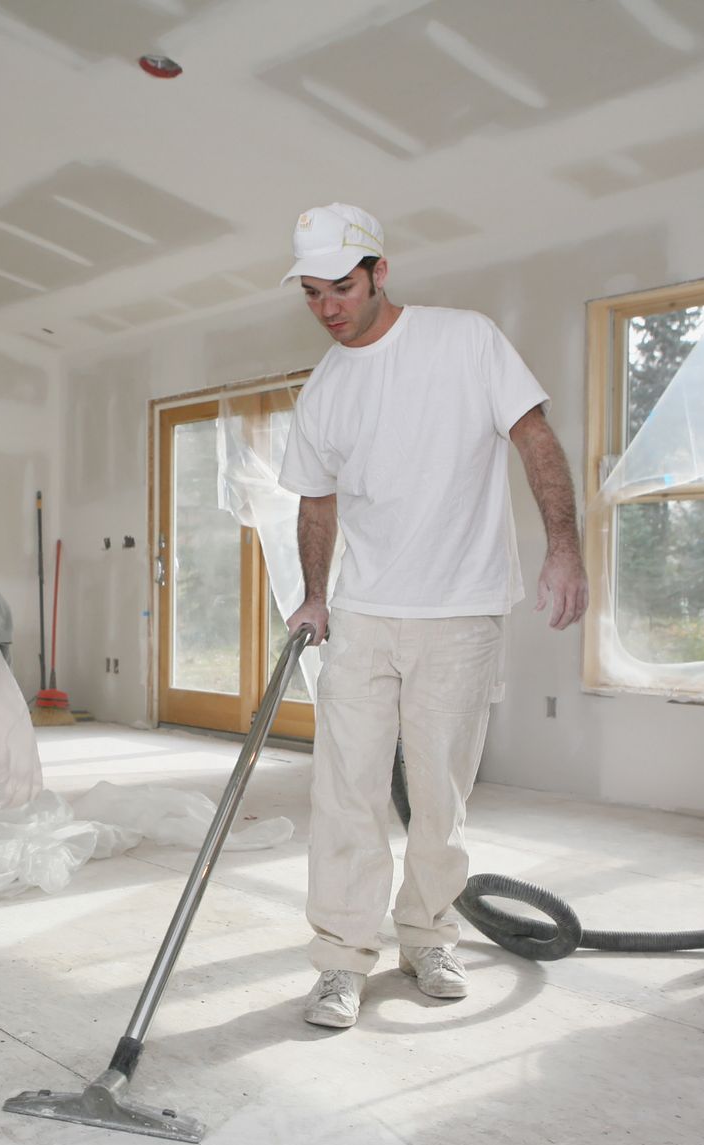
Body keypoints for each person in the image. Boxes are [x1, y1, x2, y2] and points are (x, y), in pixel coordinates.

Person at [276, 203, 588, 1029]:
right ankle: (342, 959)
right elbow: (316, 504)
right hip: (363, 613)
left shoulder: (466, 340)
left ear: (380, 271)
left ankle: (427, 935)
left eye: (340, 287)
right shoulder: (324, 388)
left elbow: (537, 440)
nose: (327, 307)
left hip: (461, 607)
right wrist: (314, 594)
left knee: (440, 796)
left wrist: (564, 548)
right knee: (345, 791)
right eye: (311, 293)